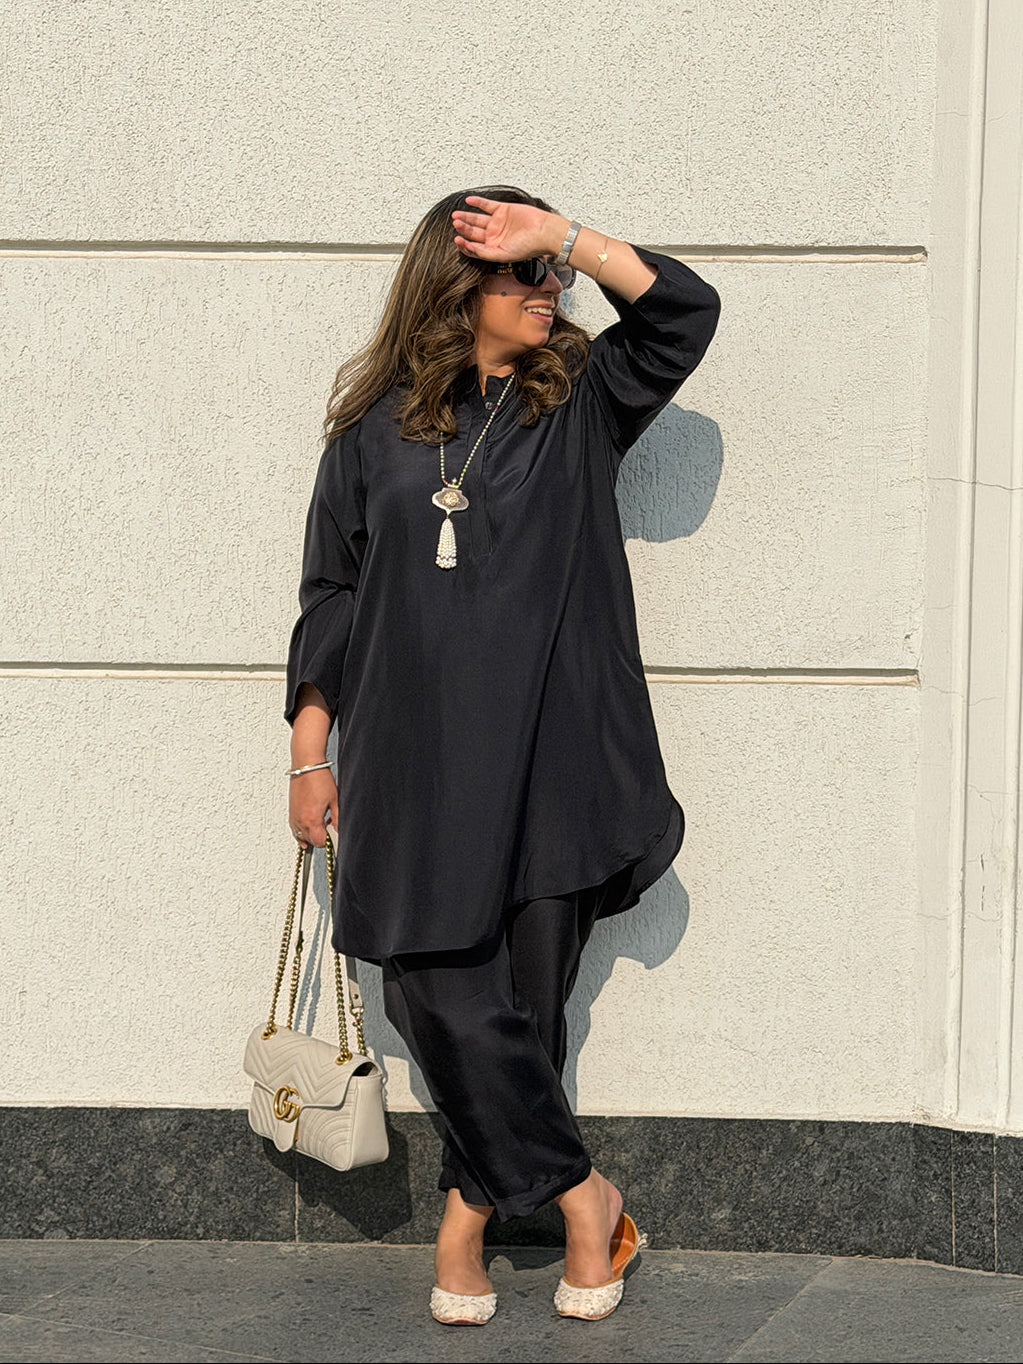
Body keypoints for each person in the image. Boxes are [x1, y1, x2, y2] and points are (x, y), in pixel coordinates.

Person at [283, 186, 720, 1324]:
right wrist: (309, 748)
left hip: (550, 758)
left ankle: (468, 1215)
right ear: (456, 287)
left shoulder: (577, 403)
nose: (551, 291)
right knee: (437, 994)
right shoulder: (371, 429)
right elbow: (332, 590)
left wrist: (566, 235)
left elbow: (682, 312)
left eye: (552, 272)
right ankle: (584, 1195)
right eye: (524, 273)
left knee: (526, 1002)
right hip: (414, 764)